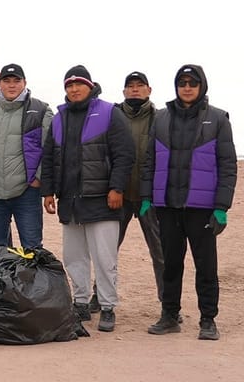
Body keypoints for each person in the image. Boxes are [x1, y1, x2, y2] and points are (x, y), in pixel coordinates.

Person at [142, 64, 236, 341]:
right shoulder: (160, 118)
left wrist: (222, 207)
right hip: (168, 206)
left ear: (201, 86)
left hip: (202, 208)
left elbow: (228, 165)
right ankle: (169, 315)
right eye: (182, 83)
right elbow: (149, 161)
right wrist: (147, 198)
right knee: (171, 264)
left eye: (192, 83)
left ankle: (208, 320)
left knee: (206, 266)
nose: (186, 87)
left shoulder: (218, 119)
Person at [41, 65, 133, 333]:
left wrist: (117, 188)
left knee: (105, 258)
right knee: (74, 257)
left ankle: (107, 306)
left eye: (79, 84)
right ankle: (80, 302)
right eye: (69, 85)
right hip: (70, 201)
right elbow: (49, 158)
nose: (74, 89)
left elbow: (124, 154)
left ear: (90, 86)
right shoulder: (59, 118)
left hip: (102, 200)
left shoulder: (109, 112)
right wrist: (48, 191)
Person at [86, 71, 166, 314]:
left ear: (149, 90)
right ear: (123, 91)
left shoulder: (161, 118)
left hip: (149, 198)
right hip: (116, 195)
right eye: (130, 86)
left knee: (161, 252)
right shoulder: (112, 115)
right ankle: (99, 297)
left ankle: (168, 303)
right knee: (106, 252)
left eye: (139, 86)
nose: (134, 90)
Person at [0, 63, 53, 258]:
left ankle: (32, 289)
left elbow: (49, 149)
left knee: (31, 249)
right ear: (0, 84)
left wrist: (38, 178)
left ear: (25, 83)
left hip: (26, 192)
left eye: (17, 81)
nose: (12, 85)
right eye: (7, 81)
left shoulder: (40, 110)